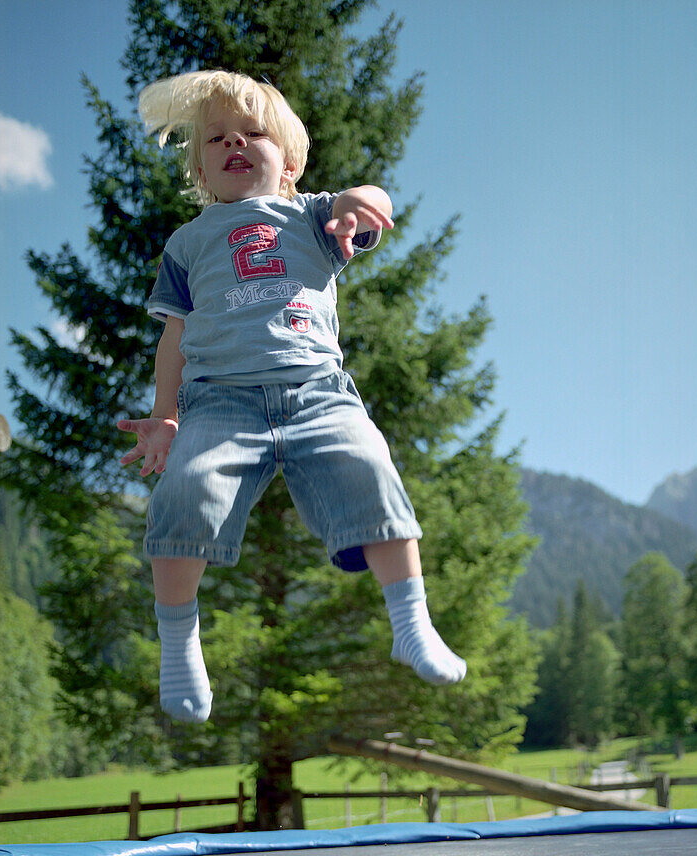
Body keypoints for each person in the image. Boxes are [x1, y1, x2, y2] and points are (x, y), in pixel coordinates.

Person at [118, 70, 466, 723]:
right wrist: (165, 416)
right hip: (219, 401)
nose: (235, 145)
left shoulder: (312, 214)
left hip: (317, 392)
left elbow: (368, 201)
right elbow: (175, 334)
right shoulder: (188, 243)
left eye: (253, 133)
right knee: (182, 496)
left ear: (291, 162)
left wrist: (357, 202)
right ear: (200, 168)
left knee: (371, 469)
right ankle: (179, 645)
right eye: (216, 139)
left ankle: (410, 624)